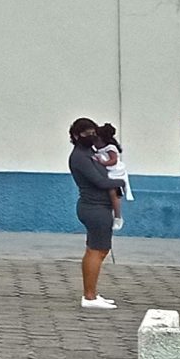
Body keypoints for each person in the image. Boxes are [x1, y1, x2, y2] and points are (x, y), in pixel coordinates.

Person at [68, 116, 119, 309]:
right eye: (86, 133)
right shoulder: (80, 157)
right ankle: (89, 296)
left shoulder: (90, 152)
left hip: (99, 207)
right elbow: (100, 181)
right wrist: (121, 182)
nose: (91, 136)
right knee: (97, 250)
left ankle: (92, 293)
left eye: (93, 132)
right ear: (75, 135)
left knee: (97, 249)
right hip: (94, 208)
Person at [95, 124, 131, 232]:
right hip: (107, 172)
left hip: (115, 172)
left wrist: (103, 163)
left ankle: (118, 216)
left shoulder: (110, 148)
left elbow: (113, 160)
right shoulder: (98, 149)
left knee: (112, 192)